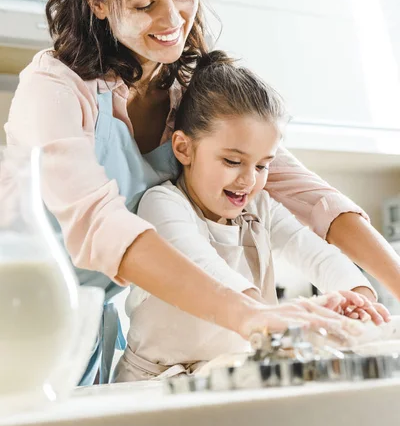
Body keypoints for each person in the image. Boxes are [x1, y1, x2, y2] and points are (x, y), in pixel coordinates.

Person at [5, 0, 399, 384]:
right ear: (98, 2)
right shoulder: (55, 90)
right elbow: (96, 223)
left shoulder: (187, 93)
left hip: (96, 322)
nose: (173, 20)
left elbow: (303, 193)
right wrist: (248, 315)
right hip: (21, 314)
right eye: (146, 3)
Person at [113, 52, 390, 381]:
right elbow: (206, 269)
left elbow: (319, 256)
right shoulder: (162, 205)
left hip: (227, 378)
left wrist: (356, 296)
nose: (249, 180)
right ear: (184, 148)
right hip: (151, 384)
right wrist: (278, 315)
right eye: (232, 161)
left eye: (262, 165)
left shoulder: (261, 210)